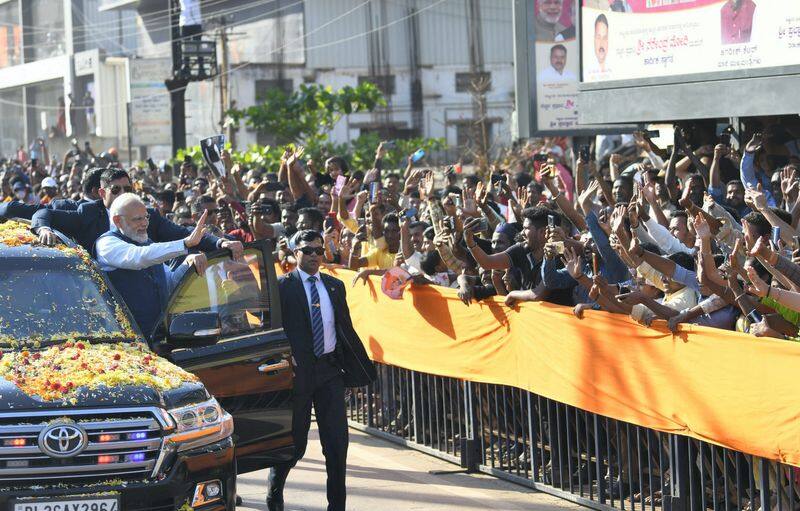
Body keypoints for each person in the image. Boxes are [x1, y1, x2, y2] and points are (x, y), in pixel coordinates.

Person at [268, 230, 376, 511]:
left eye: (319, 250)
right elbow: (268, 327)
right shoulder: (281, 287)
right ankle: (275, 490)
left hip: (329, 371)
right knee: (295, 444)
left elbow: (344, 330)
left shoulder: (334, 286)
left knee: (337, 444)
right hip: (297, 375)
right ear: (295, 253)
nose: (315, 255)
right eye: (308, 250)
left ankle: (337, 505)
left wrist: (351, 371)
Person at [96, 194, 210, 339]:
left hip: (161, 338)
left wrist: (188, 263)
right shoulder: (107, 244)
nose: (145, 223)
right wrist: (184, 243)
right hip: (130, 341)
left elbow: (169, 284)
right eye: (138, 219)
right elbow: (138, 257)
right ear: (117, 221)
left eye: (146, 217)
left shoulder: (148, 244)